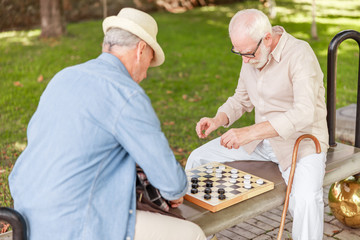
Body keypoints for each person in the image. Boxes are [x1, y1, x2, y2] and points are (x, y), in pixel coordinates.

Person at [9, 8, 206, 240]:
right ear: (141, 50)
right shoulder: (126, 93)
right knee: (192, 233)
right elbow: (172, 183)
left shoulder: (64, 77)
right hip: (72, 223)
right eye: (149, 63)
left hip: (26, 212)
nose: (145, 75)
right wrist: (175, 191)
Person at [185, 9, 328, 240]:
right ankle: (197, 234)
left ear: (268, 39)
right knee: (198, 160)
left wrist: (249, 132)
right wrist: (217, 119)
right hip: (261, 143)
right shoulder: (251, 53)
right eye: (239, 53)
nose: (244, 60)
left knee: (306, 200)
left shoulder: (300, 54)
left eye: (248, 53)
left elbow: (304, 112)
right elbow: (241, 99)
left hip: (302, 143)